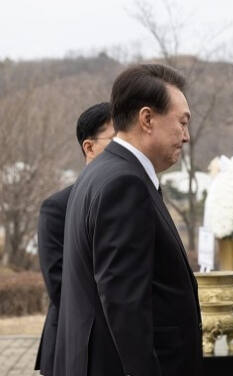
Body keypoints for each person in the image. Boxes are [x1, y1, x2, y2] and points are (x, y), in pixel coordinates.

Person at [53, 64, 202, 376]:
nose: (186, 136)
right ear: (147, 119)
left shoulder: (101, 172)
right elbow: (125, 306)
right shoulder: (125, 184)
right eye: (182, 122)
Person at [34, 102, 114, 376]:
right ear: (89, 147)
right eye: (116, 140)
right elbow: (59, 285)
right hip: (74, 343)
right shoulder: (57, 207)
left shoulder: (132, 198)